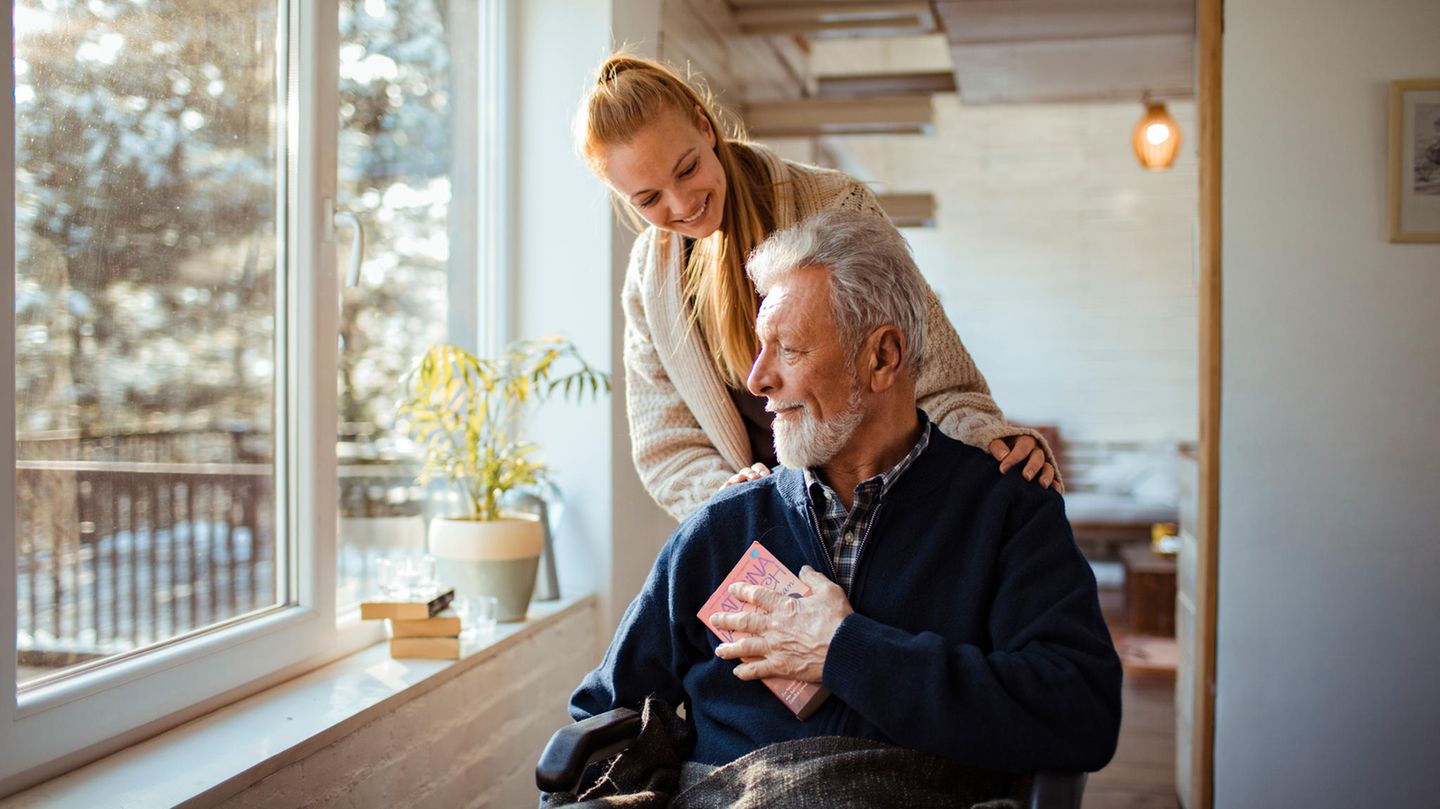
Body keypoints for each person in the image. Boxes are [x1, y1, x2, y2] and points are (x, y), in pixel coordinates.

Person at [569, 211, 1122, 786]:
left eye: (788, 350)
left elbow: (1081, 713)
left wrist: (846, 651)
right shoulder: (723, 527)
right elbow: (602, 715)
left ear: (882, 358)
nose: (758, 379)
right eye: (761, 349)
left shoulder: (1007, 512)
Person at [576, 55, 1061, 522]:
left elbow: (926, 361)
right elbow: (668, 443)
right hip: (763, 530)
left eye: (687, 169)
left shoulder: (835, 204)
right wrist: (729, 501)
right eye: (648, 198)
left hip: (885, 504)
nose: (682, 203)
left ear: (706, 127)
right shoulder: (649, 279)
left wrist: (986, 436)